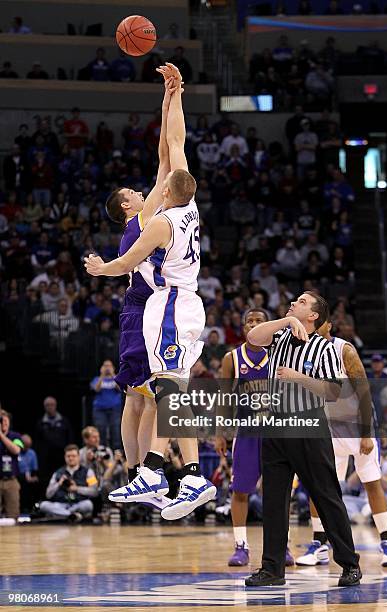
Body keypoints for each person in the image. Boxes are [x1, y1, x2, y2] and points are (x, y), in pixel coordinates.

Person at [85, 63, 216, 520]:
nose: (146, 189)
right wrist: (172, 97)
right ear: (127, 205)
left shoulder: (156, 220)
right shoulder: (151, 218)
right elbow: (172, 150)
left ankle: (152, 472)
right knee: (145, 395)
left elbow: (169, 149)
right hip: (154, 306)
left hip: (166, 305)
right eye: (135, 191)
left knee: (151, 395)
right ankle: (150, 471)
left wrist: (169, 98)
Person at [245, 292, 361, 588]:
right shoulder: (281, 336)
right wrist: (285, 319)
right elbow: (254, 337)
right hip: (275, 424)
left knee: (326, 495)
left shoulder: (324, 348)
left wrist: (298, 377)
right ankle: (272, 569)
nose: (293, 303)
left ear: (313, 316)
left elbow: (333, 392)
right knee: (273, 499)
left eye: (300, 302)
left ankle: (350, 565)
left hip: (308, 423)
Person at [296, 320, 387, 568]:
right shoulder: (303, 352)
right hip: (327, 427)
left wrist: (366, 433)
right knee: (320, 486)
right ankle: (319, 544)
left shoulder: (344, 350)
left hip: (355, 425)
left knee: (372, 483)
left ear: (328, 326)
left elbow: (364, 392)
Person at [215, 309, 295, 567]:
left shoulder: (280, 354)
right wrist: (220, 432)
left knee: (280, 492)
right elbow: (224, 398)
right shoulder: (232, 359)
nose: (254, 324)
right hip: (247, 432)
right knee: (240, 490)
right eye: (249, 320)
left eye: (260, 321)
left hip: (276, 430)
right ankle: (241, 546)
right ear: (243, 327)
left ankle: (281, 546)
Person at [39, 444, 98, 522]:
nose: (71, 458)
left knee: (88, 504)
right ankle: (71, 515)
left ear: (78, 457)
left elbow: (94, 491)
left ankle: (62, 515)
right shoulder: (58, 473)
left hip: (78, 504)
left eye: (73, 456)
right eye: (68, 456)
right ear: (65, 457)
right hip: (60, 504)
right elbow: (48, 494)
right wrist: (58, 484)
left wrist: (77, 489)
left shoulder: (88, 472)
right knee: (44, 505)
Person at [35, 396, 73, 486]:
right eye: (47, 405)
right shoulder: (40, 423)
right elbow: (37, 441)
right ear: (44, 407)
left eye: (52, 405)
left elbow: (70, 438)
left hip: (61, 457)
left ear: (55, 405)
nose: (50, 407)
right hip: (46, 458)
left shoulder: (64, 421)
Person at [90, 360, 122, 449]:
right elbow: (96, 389)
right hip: (100, 410)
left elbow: (120, 388)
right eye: (105, 366)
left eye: (109, 366)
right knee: (101, 430)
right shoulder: (97, 379)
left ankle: (117, 452)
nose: (107, 368)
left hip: (114, 409)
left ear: (113, 368)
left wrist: (113, 375)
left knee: (115, 430)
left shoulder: (117, 378)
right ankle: (102, 451)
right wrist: (102, 375)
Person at [0, 409, 24, 519]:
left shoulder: (15, 436)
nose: (4, 423)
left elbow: (16, 450)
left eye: (6, 421)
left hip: (11, 480)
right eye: (1, 421)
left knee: (13, 515)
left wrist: (1, 435)